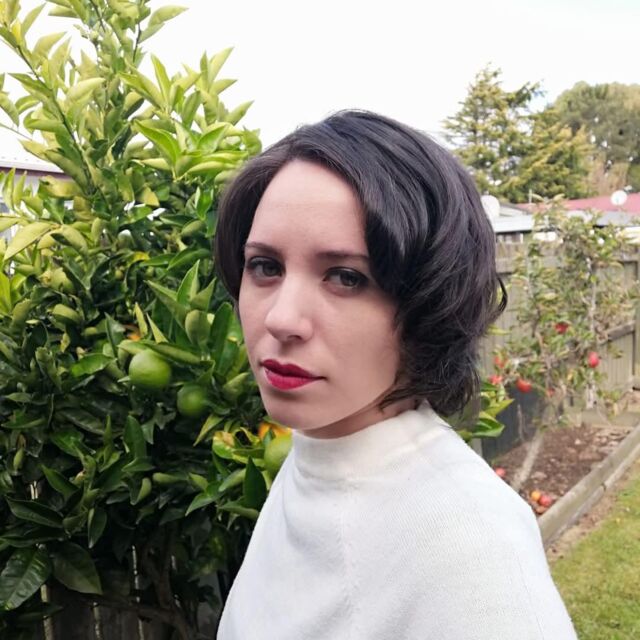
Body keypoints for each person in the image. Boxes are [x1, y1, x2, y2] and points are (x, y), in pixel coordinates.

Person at [214, 110, 578, 639]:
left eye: (345, 277)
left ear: (431, 302)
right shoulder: (317, 456)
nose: (281, 319)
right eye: (265, 267)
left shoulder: (472, 551)